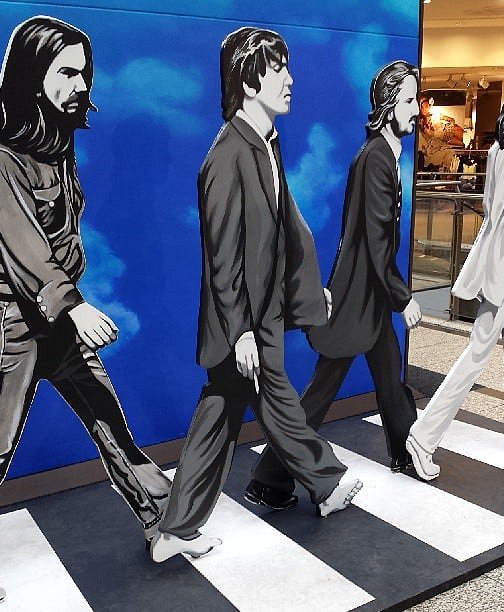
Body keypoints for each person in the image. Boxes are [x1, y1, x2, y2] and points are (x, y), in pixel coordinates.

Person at [150, 27, 362, 563]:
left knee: (219, 415)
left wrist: (308, 294)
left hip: (261, 313)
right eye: (277, 68)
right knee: (277, 402)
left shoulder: (267, 145)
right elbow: (222, 257)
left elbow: (288, 228)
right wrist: (240, 330)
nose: (290, 79)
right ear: (248, 80)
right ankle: (326, 483)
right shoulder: (227, 156)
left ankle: (177, 528)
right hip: (242, 319)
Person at [0, 16, 171, 605]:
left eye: (84, 73)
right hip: (18, 327)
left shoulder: (56, 146)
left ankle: (164, 527)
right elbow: (25, 250)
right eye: (66, 72)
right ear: (31, 74)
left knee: (110, 423)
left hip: (58, 326)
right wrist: (73, 306)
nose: (81, 85)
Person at [245, 60, 423, 510]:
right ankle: (269, 478)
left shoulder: (382, 156)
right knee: (320, 394)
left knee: (390, 376)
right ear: (388, 105)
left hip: (367, 296)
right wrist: (402, 298)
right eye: (409, 101)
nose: (417, 110)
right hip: (357, 298)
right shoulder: (376, 160)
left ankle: (406, 450)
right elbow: (376, 241)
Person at [406, 52, 504, 481]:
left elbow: (492, 205)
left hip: (495, 254)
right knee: (478, 349)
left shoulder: (502, 142)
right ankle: (424, 436)